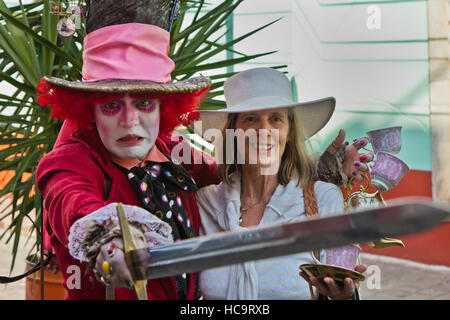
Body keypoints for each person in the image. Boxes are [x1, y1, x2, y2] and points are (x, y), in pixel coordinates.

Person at [36, 1, 372, 300]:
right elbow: (71, 200)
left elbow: (236, 172)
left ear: (165, 107)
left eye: (144, 102)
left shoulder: (173, 154)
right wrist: (110, 237)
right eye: (110, 105)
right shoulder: (70, 161)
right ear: (89, 109)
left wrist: (320, 168)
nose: (129, 120)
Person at [194, 67, 368, 300]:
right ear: (233, 131)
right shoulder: (205, 203)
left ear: (289, 130)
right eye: (251, 118)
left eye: (275, 119)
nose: (263, 131)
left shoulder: (322, 199)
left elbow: (341, 281)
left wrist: (345, 297)